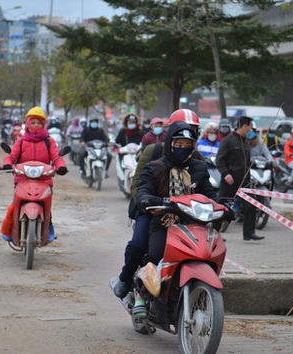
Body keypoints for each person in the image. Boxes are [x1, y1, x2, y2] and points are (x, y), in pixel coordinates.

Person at [112, 109, 204, 300]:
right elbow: (137, 185)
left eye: (192, 130)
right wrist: (150, 203)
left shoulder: (196, 158)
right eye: (181, 130)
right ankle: (126, 280)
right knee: (139, 245)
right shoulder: (152, 151)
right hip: (152, 211)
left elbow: (205, 188)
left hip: (185, 213)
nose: (186, 136)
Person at [0, 107, 68, 242]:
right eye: (33, 122)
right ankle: (9, 229)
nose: (36, 125)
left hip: (44, 179)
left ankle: (49, 227)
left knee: (47, 204)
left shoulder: (49, 142)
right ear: (28, 123)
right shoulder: (21, 141)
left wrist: (61, 167)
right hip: (22, 178)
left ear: (43, 124)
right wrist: (7, 164)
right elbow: (12, 156)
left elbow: (56, 158)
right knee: (14, 205)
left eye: (38, 123)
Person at [216, 116, 264, 241]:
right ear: (244, 126)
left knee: (250, 205)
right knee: (222, 207)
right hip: (229, 180)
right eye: (250, 127)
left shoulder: (246, 142)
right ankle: (215, 234)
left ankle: (249, 234)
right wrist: (226, 174)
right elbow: (219, 160)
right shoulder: (228, 140)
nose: (251, 130)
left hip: (244, 181)